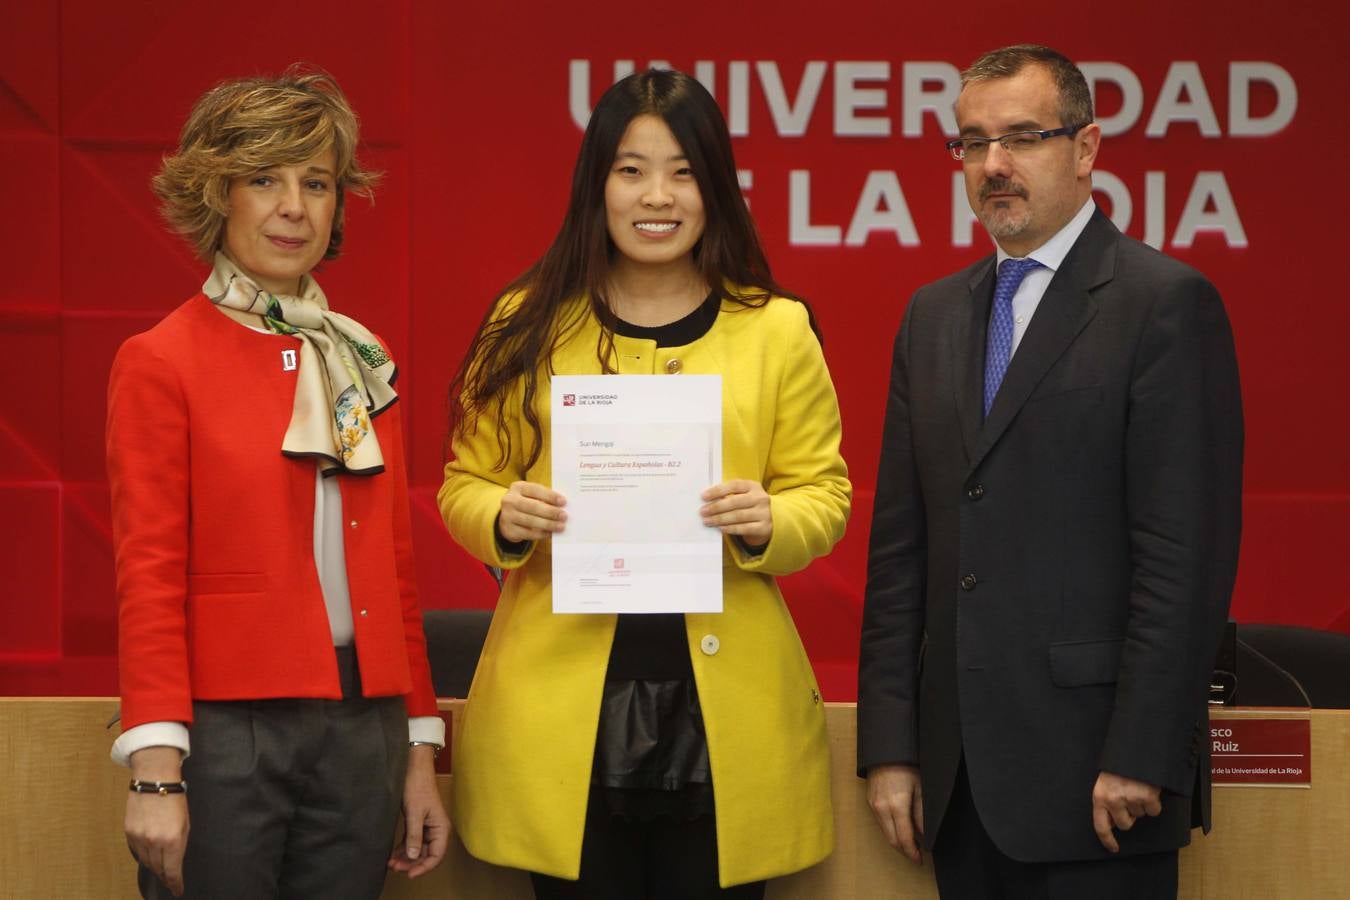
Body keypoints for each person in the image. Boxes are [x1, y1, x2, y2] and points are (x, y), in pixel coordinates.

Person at [438, 69, 851, 899]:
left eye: (683, 171)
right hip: (559, 714)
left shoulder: (776, 328)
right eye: (631, 169)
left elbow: (824, 493)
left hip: (726, 713)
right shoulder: (524, 321)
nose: (656, 195)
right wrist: (505, 515)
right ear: (597, 185)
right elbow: (463, 484)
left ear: (716, 189)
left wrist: (769, 518)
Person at [857, 44, 1243, 899]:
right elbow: (899, 554)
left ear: (1087, 147)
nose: (993, 165)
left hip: (1103, 789)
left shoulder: (1164, 304)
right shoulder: (930, 317)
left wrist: (1143, 753)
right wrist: (891, 747)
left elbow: (1184, 559)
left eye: (1023, 137)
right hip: (956, 789)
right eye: (971, 142)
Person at [106, 68, 448, 898]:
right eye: (264, 178)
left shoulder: (360, 357)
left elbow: (396, 571)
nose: (294, 206)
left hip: (363, 725)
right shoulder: (160, 360)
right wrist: (156, 768)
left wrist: (417, 747)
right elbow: (147, 575)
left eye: (317, 182)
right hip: (227, 731)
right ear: (217, 194)